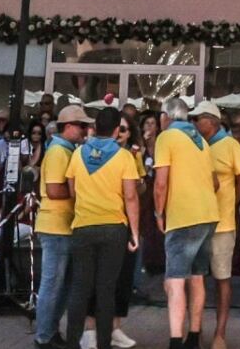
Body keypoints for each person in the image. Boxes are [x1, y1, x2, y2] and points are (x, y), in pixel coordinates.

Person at [60, 105, 142, 349]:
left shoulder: (78, 154)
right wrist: (134, 233)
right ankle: (103, 343)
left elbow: (72, 191)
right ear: (117, 130)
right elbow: (131, 197)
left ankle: (73, 342)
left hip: (83, 227)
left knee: (79, 288)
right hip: (113, 228)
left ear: (95, 128)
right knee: (106, 290)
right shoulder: (124, 157)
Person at [157, 99, 225, 349]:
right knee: (197, 276)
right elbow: (215, 182)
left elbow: (160, 182)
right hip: (208, 214)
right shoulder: (200, 141)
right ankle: (194, 336)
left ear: (167, 116)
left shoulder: (166, 138)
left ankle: (176, 339)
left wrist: (158, 213)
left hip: (182, 215)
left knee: (175, 279)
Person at [36, 105, 90, 349]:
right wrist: (81, 191)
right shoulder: (59, 151)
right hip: (56, 225)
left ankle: (50, 331)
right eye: (81, 126)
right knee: (52, 283)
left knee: (61, 284)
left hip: (62, 225)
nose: (85, 130)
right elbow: (54, 190)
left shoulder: (65, 150)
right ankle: (44, 336)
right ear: (68, 126)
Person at [209, 101, 240, 349]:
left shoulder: (230, 146)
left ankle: (220, 334)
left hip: (222, 224)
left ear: (212, 121)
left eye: (198, 118)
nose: (194, 123)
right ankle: (193, 330)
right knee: (194, 280)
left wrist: (231, 205)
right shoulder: (195, 144)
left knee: (222, 279)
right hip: (196, 221)